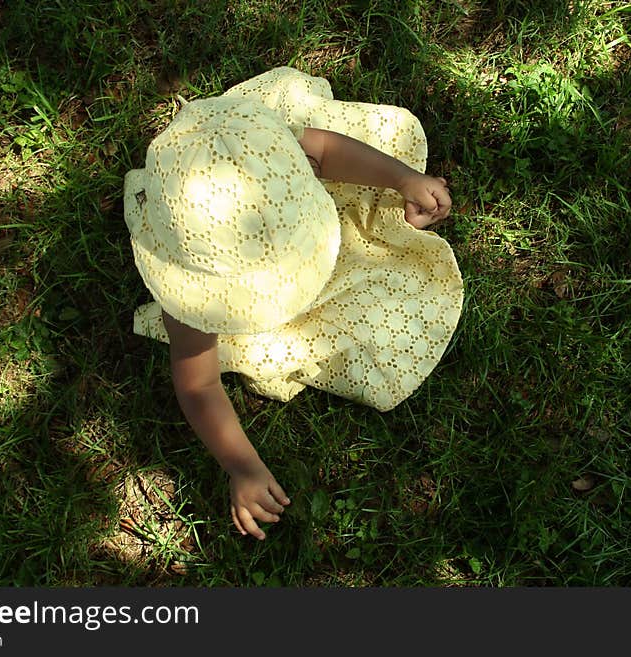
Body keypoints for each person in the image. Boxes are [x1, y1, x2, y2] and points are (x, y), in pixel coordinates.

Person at [124, 67, 463, 540]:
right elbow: (198, 386)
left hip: (263, 171)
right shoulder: (192, 288)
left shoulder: (269, 151)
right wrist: (243, 467)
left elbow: (326, 150)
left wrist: (402, 178)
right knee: (278, 346)